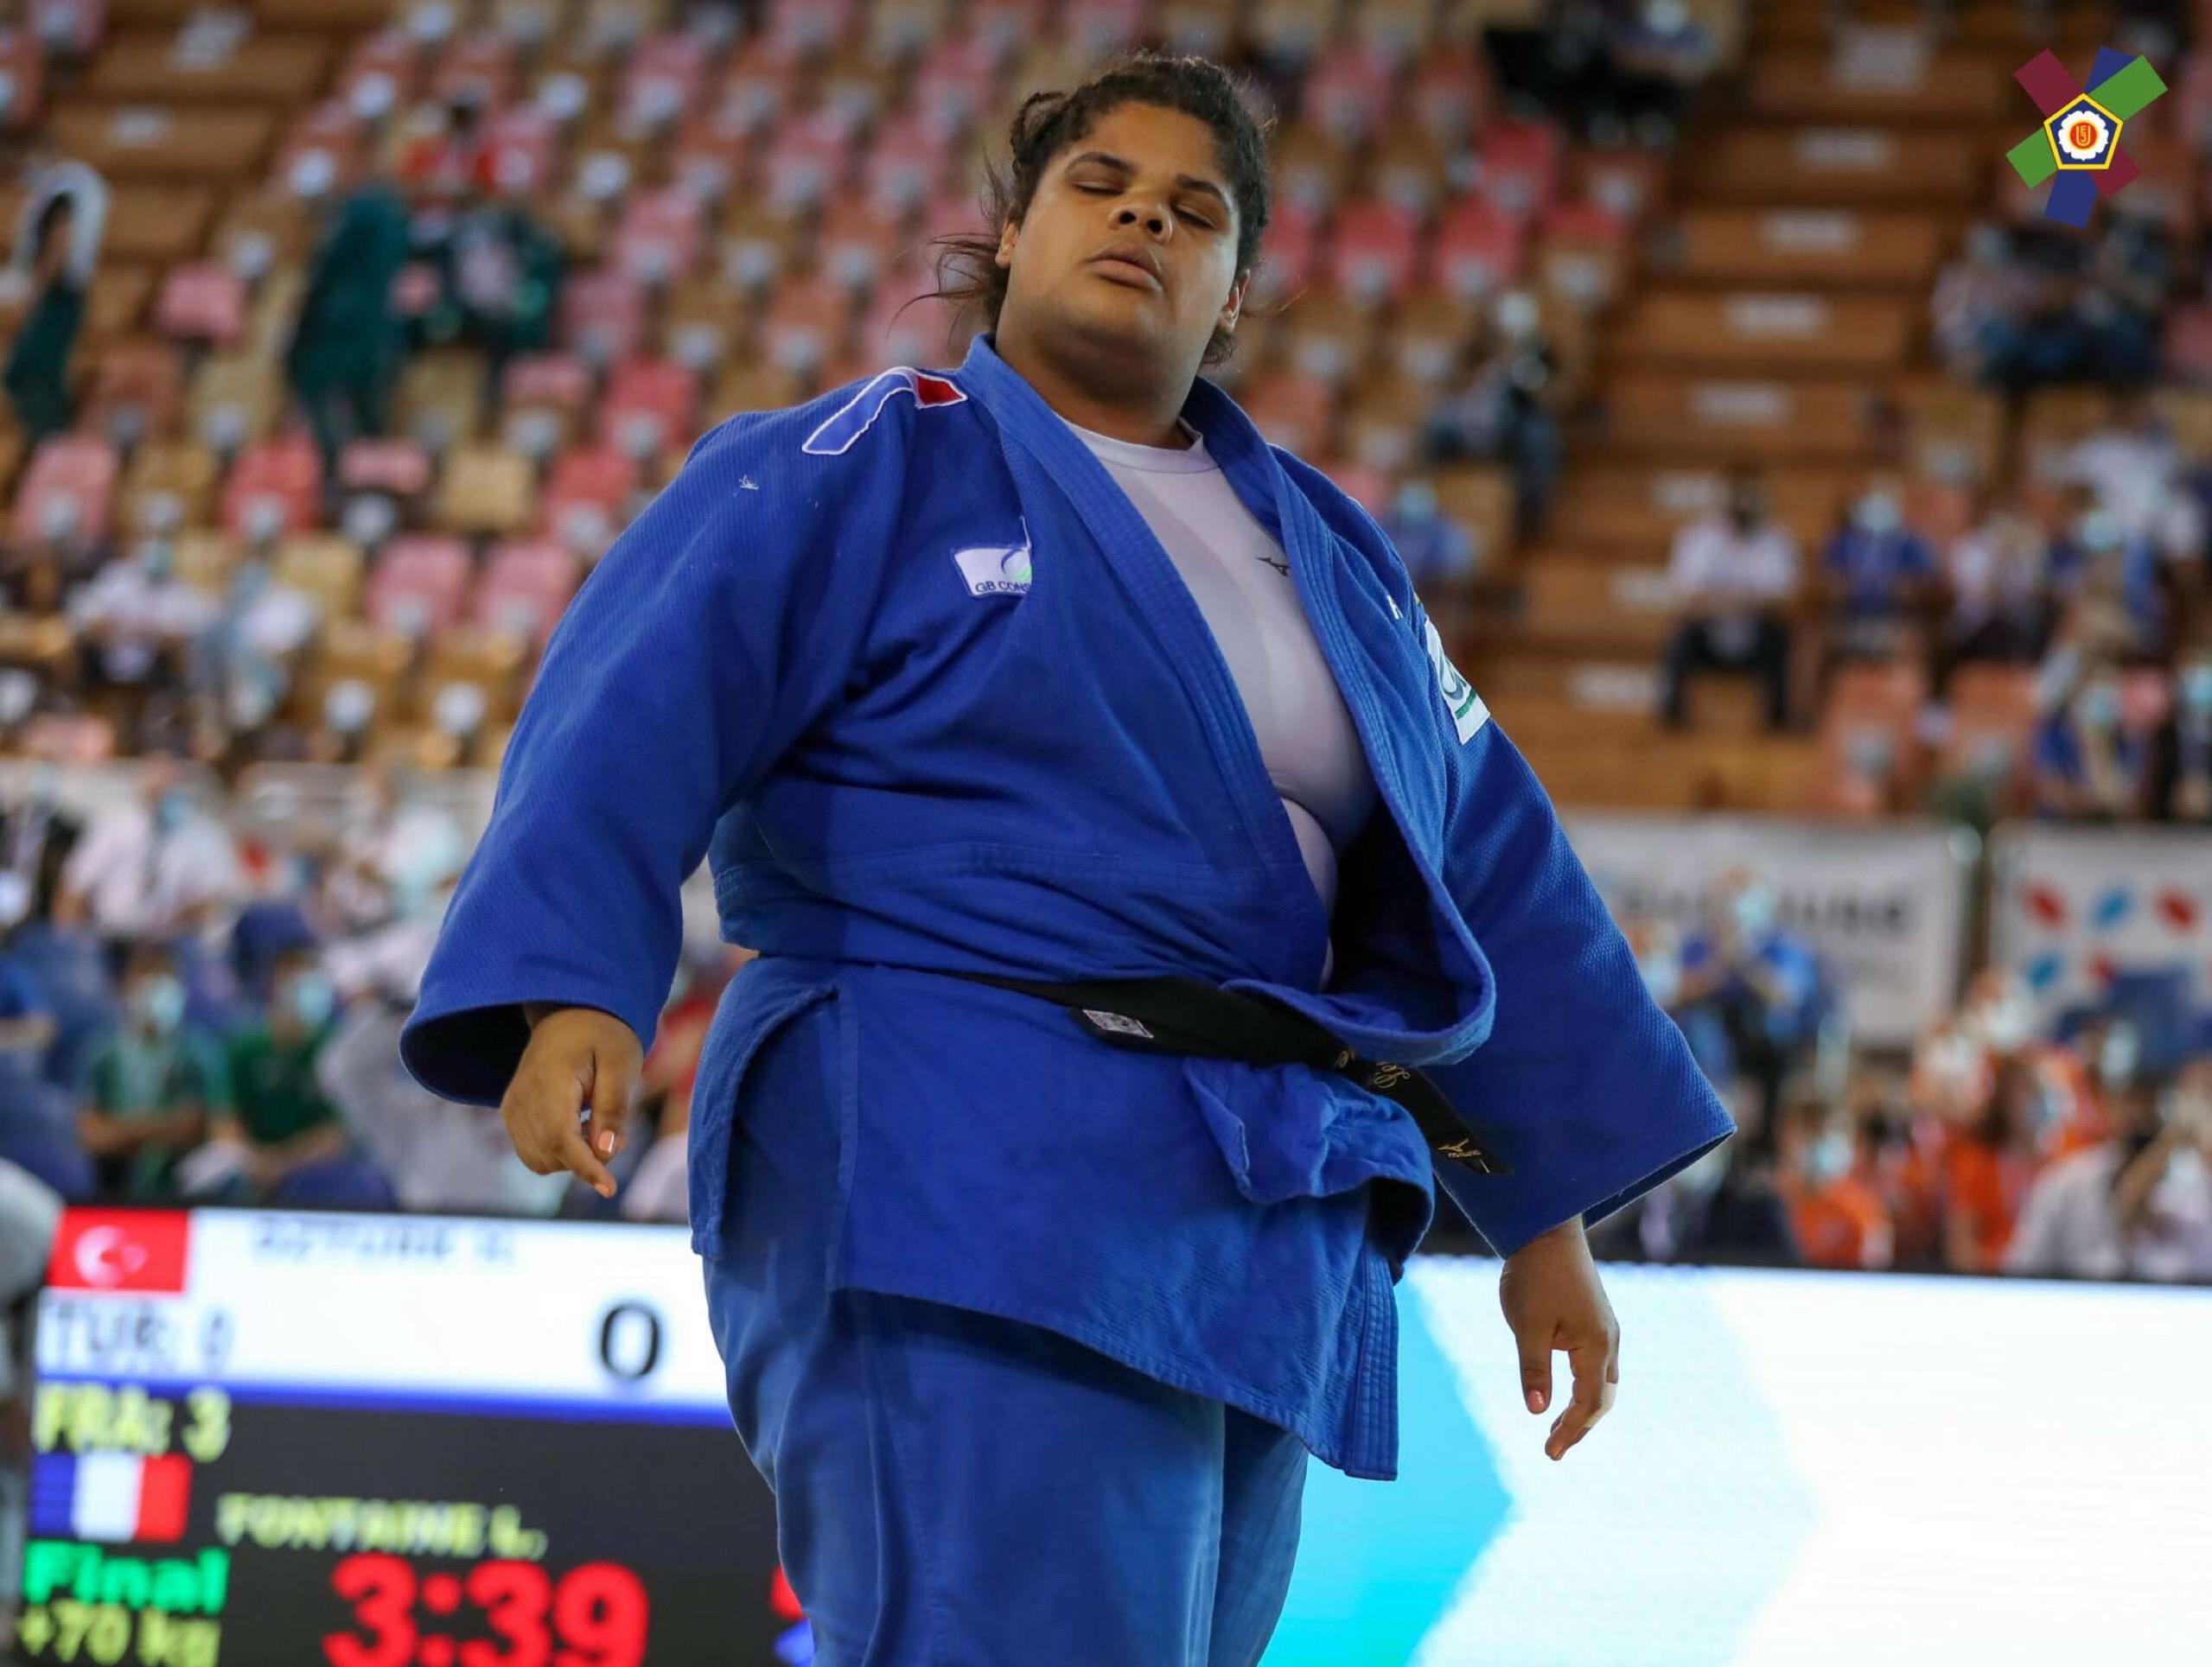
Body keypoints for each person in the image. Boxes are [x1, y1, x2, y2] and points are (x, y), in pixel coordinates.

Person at [400, 54, 1731, 1667]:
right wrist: (567, 986)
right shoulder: (860, 458)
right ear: (1011, 230)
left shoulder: (1329, 548)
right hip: (953, 1148)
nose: (1141, 222)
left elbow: (1482, 853)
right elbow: (641, 695)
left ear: (1234, 288)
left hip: (1249, 1205)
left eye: (1193, 211)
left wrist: (1543, 1214)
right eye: (1100, 187)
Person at [74, 944, 226, 1199]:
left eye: (164, 979)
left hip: (183, 1187)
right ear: (125, 987)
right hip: (114, 1184)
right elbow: (92, 1135)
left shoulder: (199, 1053)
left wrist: (121, 1131)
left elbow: (199, 1130)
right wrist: (163, 1128)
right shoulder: (102, 1053)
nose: (154, 991)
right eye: (145, 978)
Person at [286, 184, 413, 479]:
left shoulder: (354, 274)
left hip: (351, 359)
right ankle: (344, 473)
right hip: (348, 359)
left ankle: (352, 473)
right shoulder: (363, 279)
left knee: (361, 429)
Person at [1660, 468, 1797, 729]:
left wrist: (1721, 601)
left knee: (1780, 636)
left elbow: (1782, 602)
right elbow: (1688, 599)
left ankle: (1778, 721)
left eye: (1750, 495)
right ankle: (1671, 717)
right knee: (1681, 636)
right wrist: (1745, 601)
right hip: (1709, 633)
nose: (1743, 502)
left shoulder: (1776, 540)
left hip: (1755, 635)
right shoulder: (1699, 538)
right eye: (1737, 494)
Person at [55, 765, 244, 945]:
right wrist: (69, 940)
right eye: (160, 792)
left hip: (176, 938)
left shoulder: (203, 833)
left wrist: (174, 922)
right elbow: (75, 884)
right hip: (110, 936)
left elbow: (215, 896)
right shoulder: (116, 825)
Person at [2, 156, 106, 444]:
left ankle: (54, 433)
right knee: (25, 371)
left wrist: (39, 287)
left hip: (60, 295)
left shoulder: (59, 203)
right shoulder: (48, 201)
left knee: (37, 369)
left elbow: (59, 247)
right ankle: (46, 434)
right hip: (59, 295)